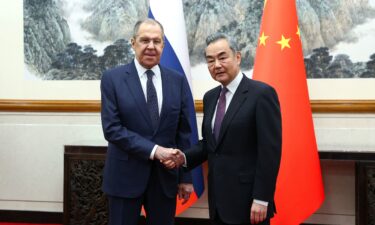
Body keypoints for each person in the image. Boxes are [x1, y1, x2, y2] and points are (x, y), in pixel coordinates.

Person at [164, 33, 282, 225]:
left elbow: (270, 152)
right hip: (218, 201)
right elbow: (210, 145)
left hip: (250, 203)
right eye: (210, 60)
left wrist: (262, 198)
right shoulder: (210, 97)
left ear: (237, 57)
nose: (216, 65)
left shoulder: (261, 94)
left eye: (222, 57)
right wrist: (183, 158)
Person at [100, 18, 194, 225]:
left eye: (156, 41)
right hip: (124, 178)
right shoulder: (112, 79)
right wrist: (155, 150)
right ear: (133, 43)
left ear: (163, 45)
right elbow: (112, 129)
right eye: (144, 40)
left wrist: (186, 177)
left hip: (165, 180)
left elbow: (184, 132)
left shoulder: (177, 80)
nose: (151, 46)